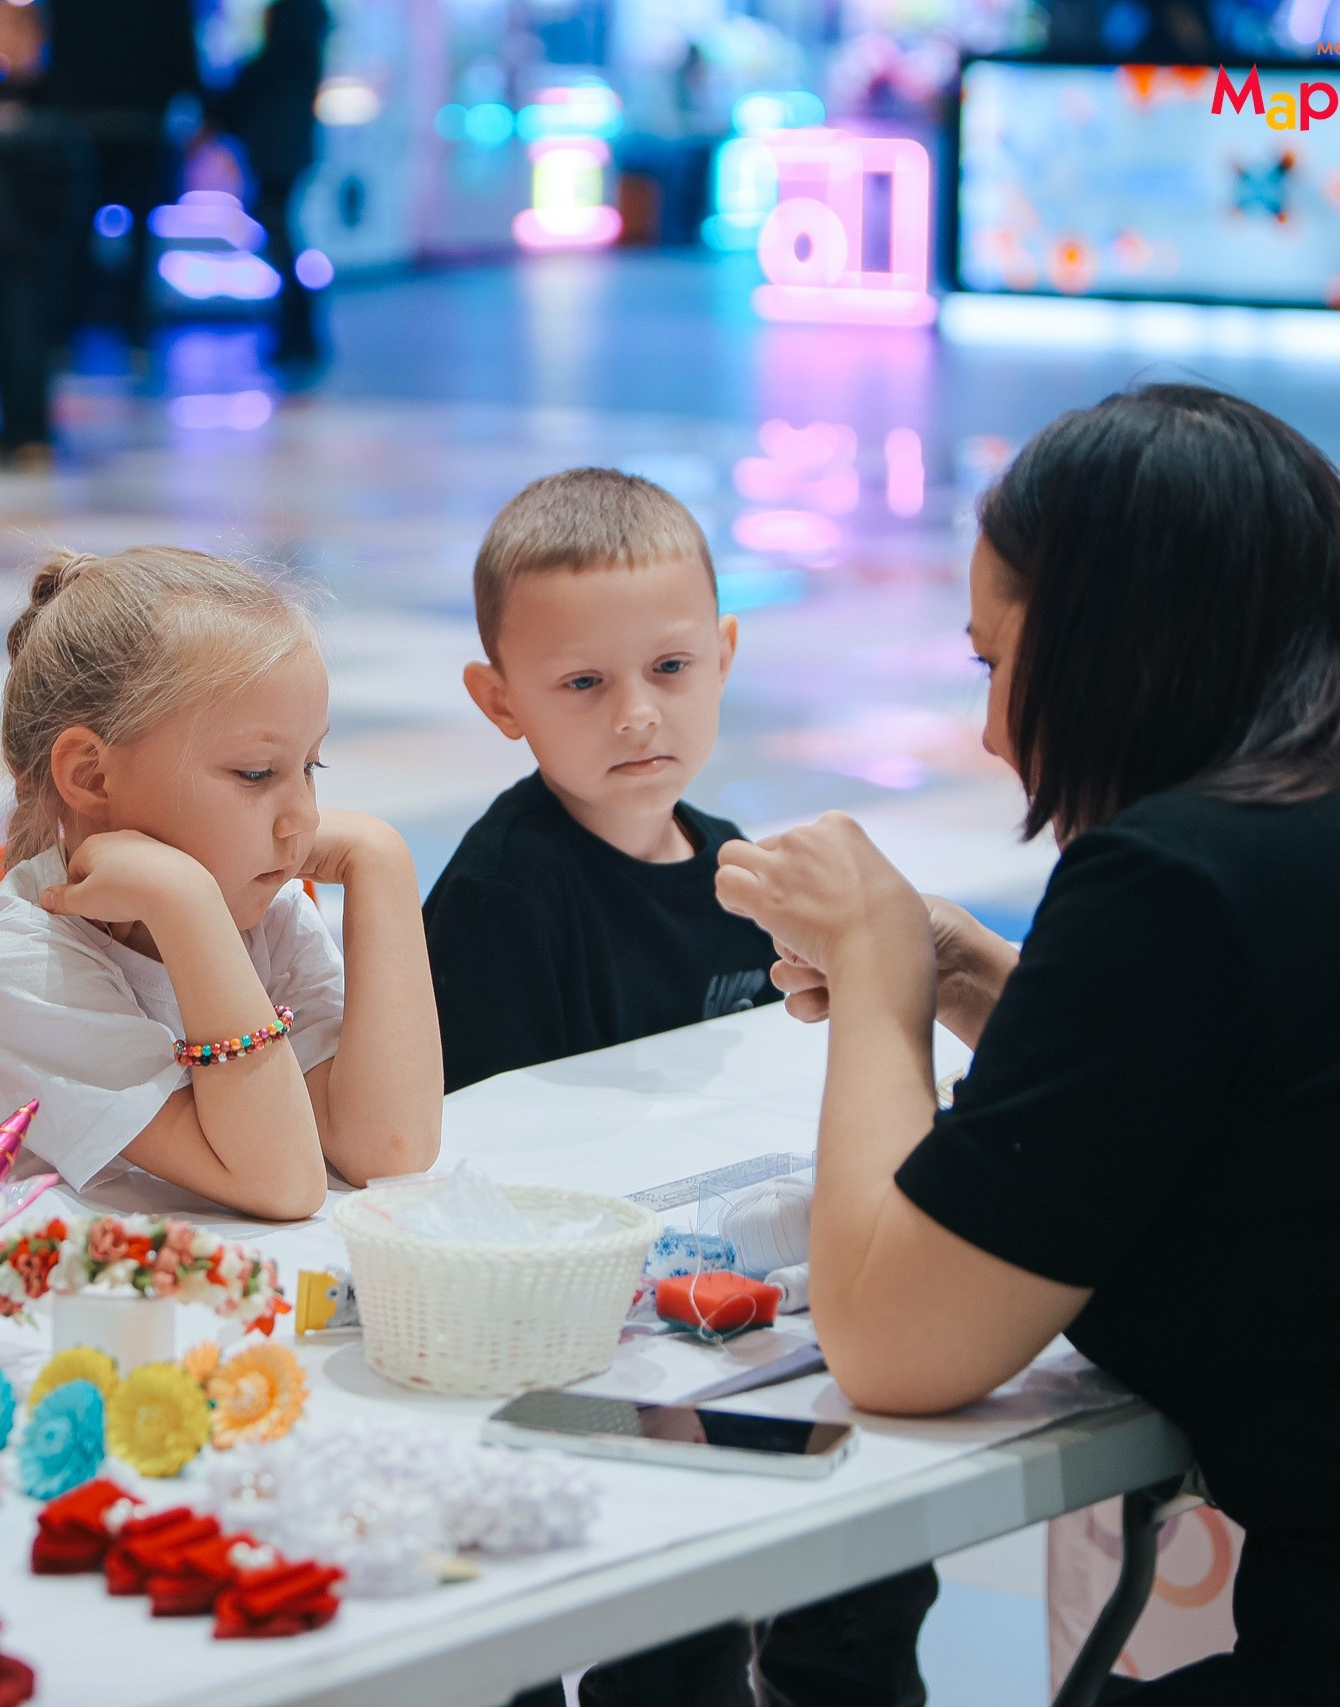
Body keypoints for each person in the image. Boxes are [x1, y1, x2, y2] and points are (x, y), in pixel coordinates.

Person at [716, 385, 1340, 1706]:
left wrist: (883, 980)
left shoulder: (1181, 876)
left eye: (996, 662)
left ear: (1114, 646)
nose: (995, 727)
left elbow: (893, 1340)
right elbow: (1290, 1111)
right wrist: (997, 988)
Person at [429, 469, 934, 1707]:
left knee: (869, 1538)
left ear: (723, 653)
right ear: (500, 702)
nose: (635, 716)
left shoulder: (734, 865)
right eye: (582, 685)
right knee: (668, 1599)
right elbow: (473, 1171)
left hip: (729, 1306)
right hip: (567, 1345)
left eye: (668, 670)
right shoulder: (500, 899)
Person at [0, 547, 442, 1218]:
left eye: (311, 765)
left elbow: (389, 1147)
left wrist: (381, 862)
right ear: (91, 776)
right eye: (256, 773)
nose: (304, 817)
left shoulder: (260, 912)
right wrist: (188, 907)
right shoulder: (13, 965)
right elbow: (283, 1182)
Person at [0, 0, 82, 469]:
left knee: (32, 337)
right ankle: (6, 427)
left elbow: (67, 178)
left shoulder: (54, 97)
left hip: (38, 242)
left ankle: (33, 430)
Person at [44, 0, 200, 353]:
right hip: (139, 118)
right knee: (137, 232)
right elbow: (180, 48)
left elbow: (59, 41)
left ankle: (67, 329)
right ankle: (134, 331)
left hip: (88, 118)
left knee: (77, 227)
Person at [210, 0, 329, 368]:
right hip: (287, 144)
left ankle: (297, 327)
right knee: (278, 228)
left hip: (277, 145)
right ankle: (298, 327)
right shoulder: (309, 25)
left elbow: (260, 76)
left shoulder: (292, 25)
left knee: (276, 229)